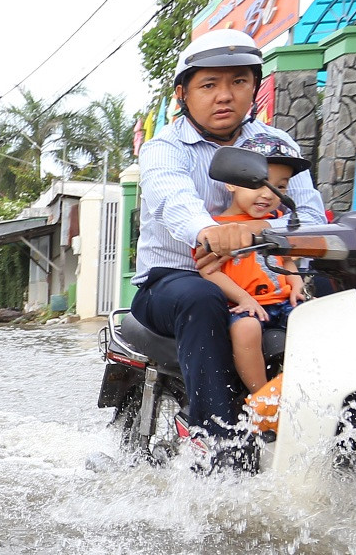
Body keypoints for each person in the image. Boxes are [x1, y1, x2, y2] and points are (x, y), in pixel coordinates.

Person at [130, 29, 326, 448]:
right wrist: (210, 233)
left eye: (238, 81)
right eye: (209, 85)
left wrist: (258, 234)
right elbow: (174, 201)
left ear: (254, 87)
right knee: (202, 299)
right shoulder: (165, 148)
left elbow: (308, 214)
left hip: (269, 276)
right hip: (175, 279)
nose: (225, 95)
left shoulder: (277, 145)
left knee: (344, 289)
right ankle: (218, 442)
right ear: (183, 94)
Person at [203, 153, 308, 393]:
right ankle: (262, 397)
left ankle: (309, 391)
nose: (269, 194)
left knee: (314, 319)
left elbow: (288, 261)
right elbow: (209, 271)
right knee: (245, 329)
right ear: (230, 183)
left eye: (279, 186)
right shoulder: (216, 228)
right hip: (243, 305)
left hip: (282, 301)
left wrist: (296, 284)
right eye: (258, 183)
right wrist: (244, 298)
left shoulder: (279, 222)